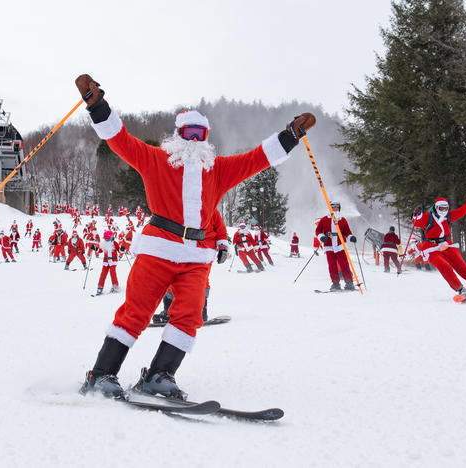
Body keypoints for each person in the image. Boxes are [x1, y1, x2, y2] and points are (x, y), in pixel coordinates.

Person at [74, 73, 314, 398]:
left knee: (188, 316)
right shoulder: (156, 159)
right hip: (158, 247)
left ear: (207, 139)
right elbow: (121, 140)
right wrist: (98, 106)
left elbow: (256, 159)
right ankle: (101, 375)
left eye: (200, 135)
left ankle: (159, 375)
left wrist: (289, 135)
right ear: (177, 134)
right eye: (189, 133)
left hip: (196, 255)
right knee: (136, 312)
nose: (194, 141)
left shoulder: (217, 169)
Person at [153, 210, 230, 325]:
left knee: (201, 280)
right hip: (182, 247)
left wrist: (223, 247)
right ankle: (169, 312)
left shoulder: (210, 208)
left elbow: (221, 230)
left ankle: (200, 312)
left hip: (204, 249)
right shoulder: (180, 205)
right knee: (173, 277)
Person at [411, 191, 466, 299]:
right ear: (436, 207)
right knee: (444, 267)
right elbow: (416, 222)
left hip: (447, 246)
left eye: (446, 208)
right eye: (441, 208)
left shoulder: (448, 216)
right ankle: (460, 289)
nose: (444, 211)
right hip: (432, 248)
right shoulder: (427, 217)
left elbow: (463, 210)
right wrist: (416, 214)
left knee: (462, 268)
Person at [316, 202, 357, 291]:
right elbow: (318, 231)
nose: (335, 209)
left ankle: (349, 283)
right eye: (333, 207)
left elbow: (347, 232)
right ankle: (335, 284)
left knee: (344, 264)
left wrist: (351, 237)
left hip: (340, 245)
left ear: (339, 209)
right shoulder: (324, 219)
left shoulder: (342, 220)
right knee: (332, 265)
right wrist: (322, 237)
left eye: (336, 208)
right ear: (330, 209)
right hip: (329, 245)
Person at [95, 230, 122, 295]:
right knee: (103, 273)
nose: (106, 240)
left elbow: (120, 251)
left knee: (112, 272)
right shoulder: (104, 243)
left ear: (111, 237)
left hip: (113, 261)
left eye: (108, 238)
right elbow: (100, 250)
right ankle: (100, 287)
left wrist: (122, 249)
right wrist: (94, 248)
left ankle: (115, 285)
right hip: (106, 261)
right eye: (105, 238)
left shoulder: (115, 243)